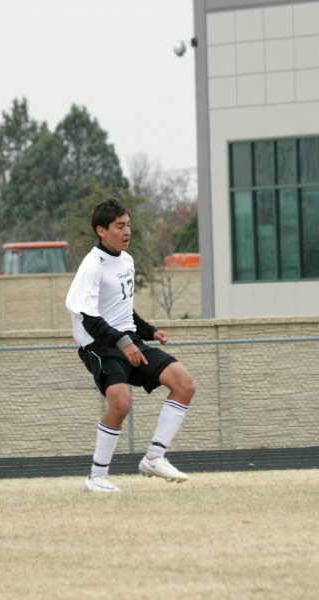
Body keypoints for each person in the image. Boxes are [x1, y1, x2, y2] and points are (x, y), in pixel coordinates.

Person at [65, 198, 196, 493]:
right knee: (121, 403)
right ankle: (96, 477)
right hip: (99, 346)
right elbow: (89, 318)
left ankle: (154, 457)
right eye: (119, 226)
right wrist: (123, 342)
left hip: (128, 341)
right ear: (101, 230)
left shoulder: (126, 260)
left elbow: (123, 310)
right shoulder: (92, 266)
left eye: (128, 226)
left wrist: (150, 331)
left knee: (184, 384)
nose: (127, 232)